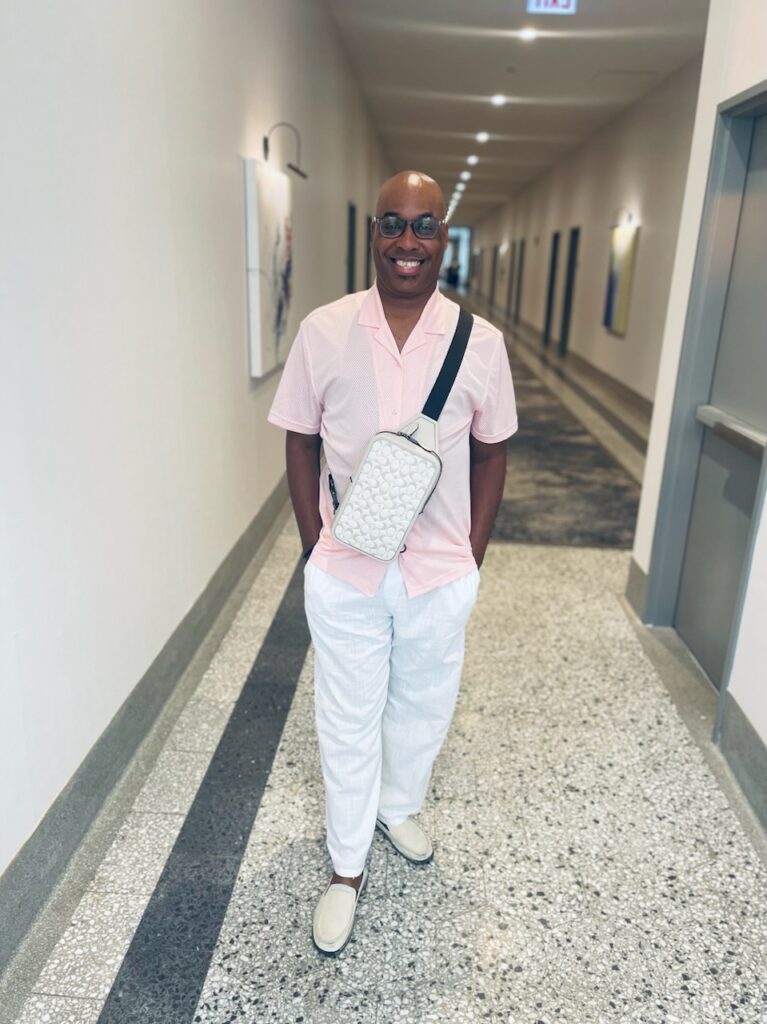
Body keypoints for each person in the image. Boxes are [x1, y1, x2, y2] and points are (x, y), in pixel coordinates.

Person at [268, 170, 517, 955]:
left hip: (439, 573)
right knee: (345, 717)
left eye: (423, 226)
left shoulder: (482, 344)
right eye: (391, 225)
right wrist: (316, 544)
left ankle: (396, 803)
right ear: (372, 235)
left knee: (424, 705)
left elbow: (492, 453)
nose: (406, 242)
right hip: (347, 571)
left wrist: (469, 554)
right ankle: (345, 868)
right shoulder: (324, 330)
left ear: (443, 236)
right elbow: (299, 440)